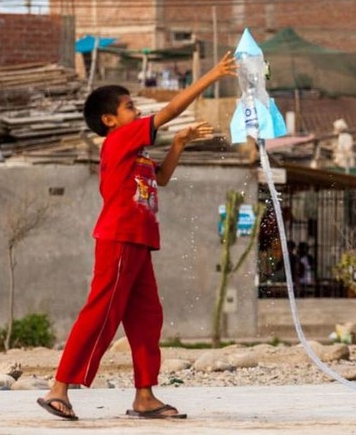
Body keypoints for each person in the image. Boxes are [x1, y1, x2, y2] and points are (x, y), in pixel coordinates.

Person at [37, 52, 237, 421]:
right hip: (119, 238)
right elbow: (170, 111)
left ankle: (145, 396)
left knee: (147, 317)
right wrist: (211, 76)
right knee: (101, 310)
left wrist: (178, 144)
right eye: (129, 106)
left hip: (139, 242)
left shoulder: (136, 150)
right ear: (109, 120)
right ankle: (59, 388)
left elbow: (159, 178)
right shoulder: (119, 140)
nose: (136, 110)